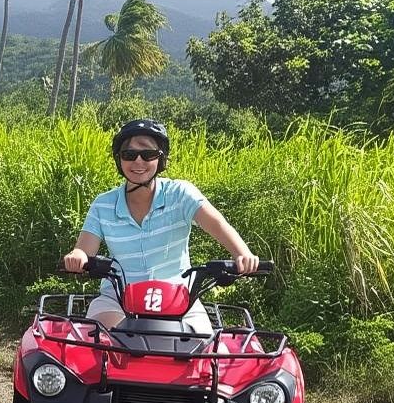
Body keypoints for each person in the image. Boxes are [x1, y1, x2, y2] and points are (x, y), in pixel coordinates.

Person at [63, 118, 260, 333]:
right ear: (119, 159)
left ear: (161, 159)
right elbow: (84, 248)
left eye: (148, 155)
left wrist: (242, 253)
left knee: (204, 353)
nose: (138, 162)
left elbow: (218, 224)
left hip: (179, 299)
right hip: (117, 299)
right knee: (103, 345)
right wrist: (78, 257)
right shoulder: (104, 204)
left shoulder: (181, 195)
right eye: (129, 155)